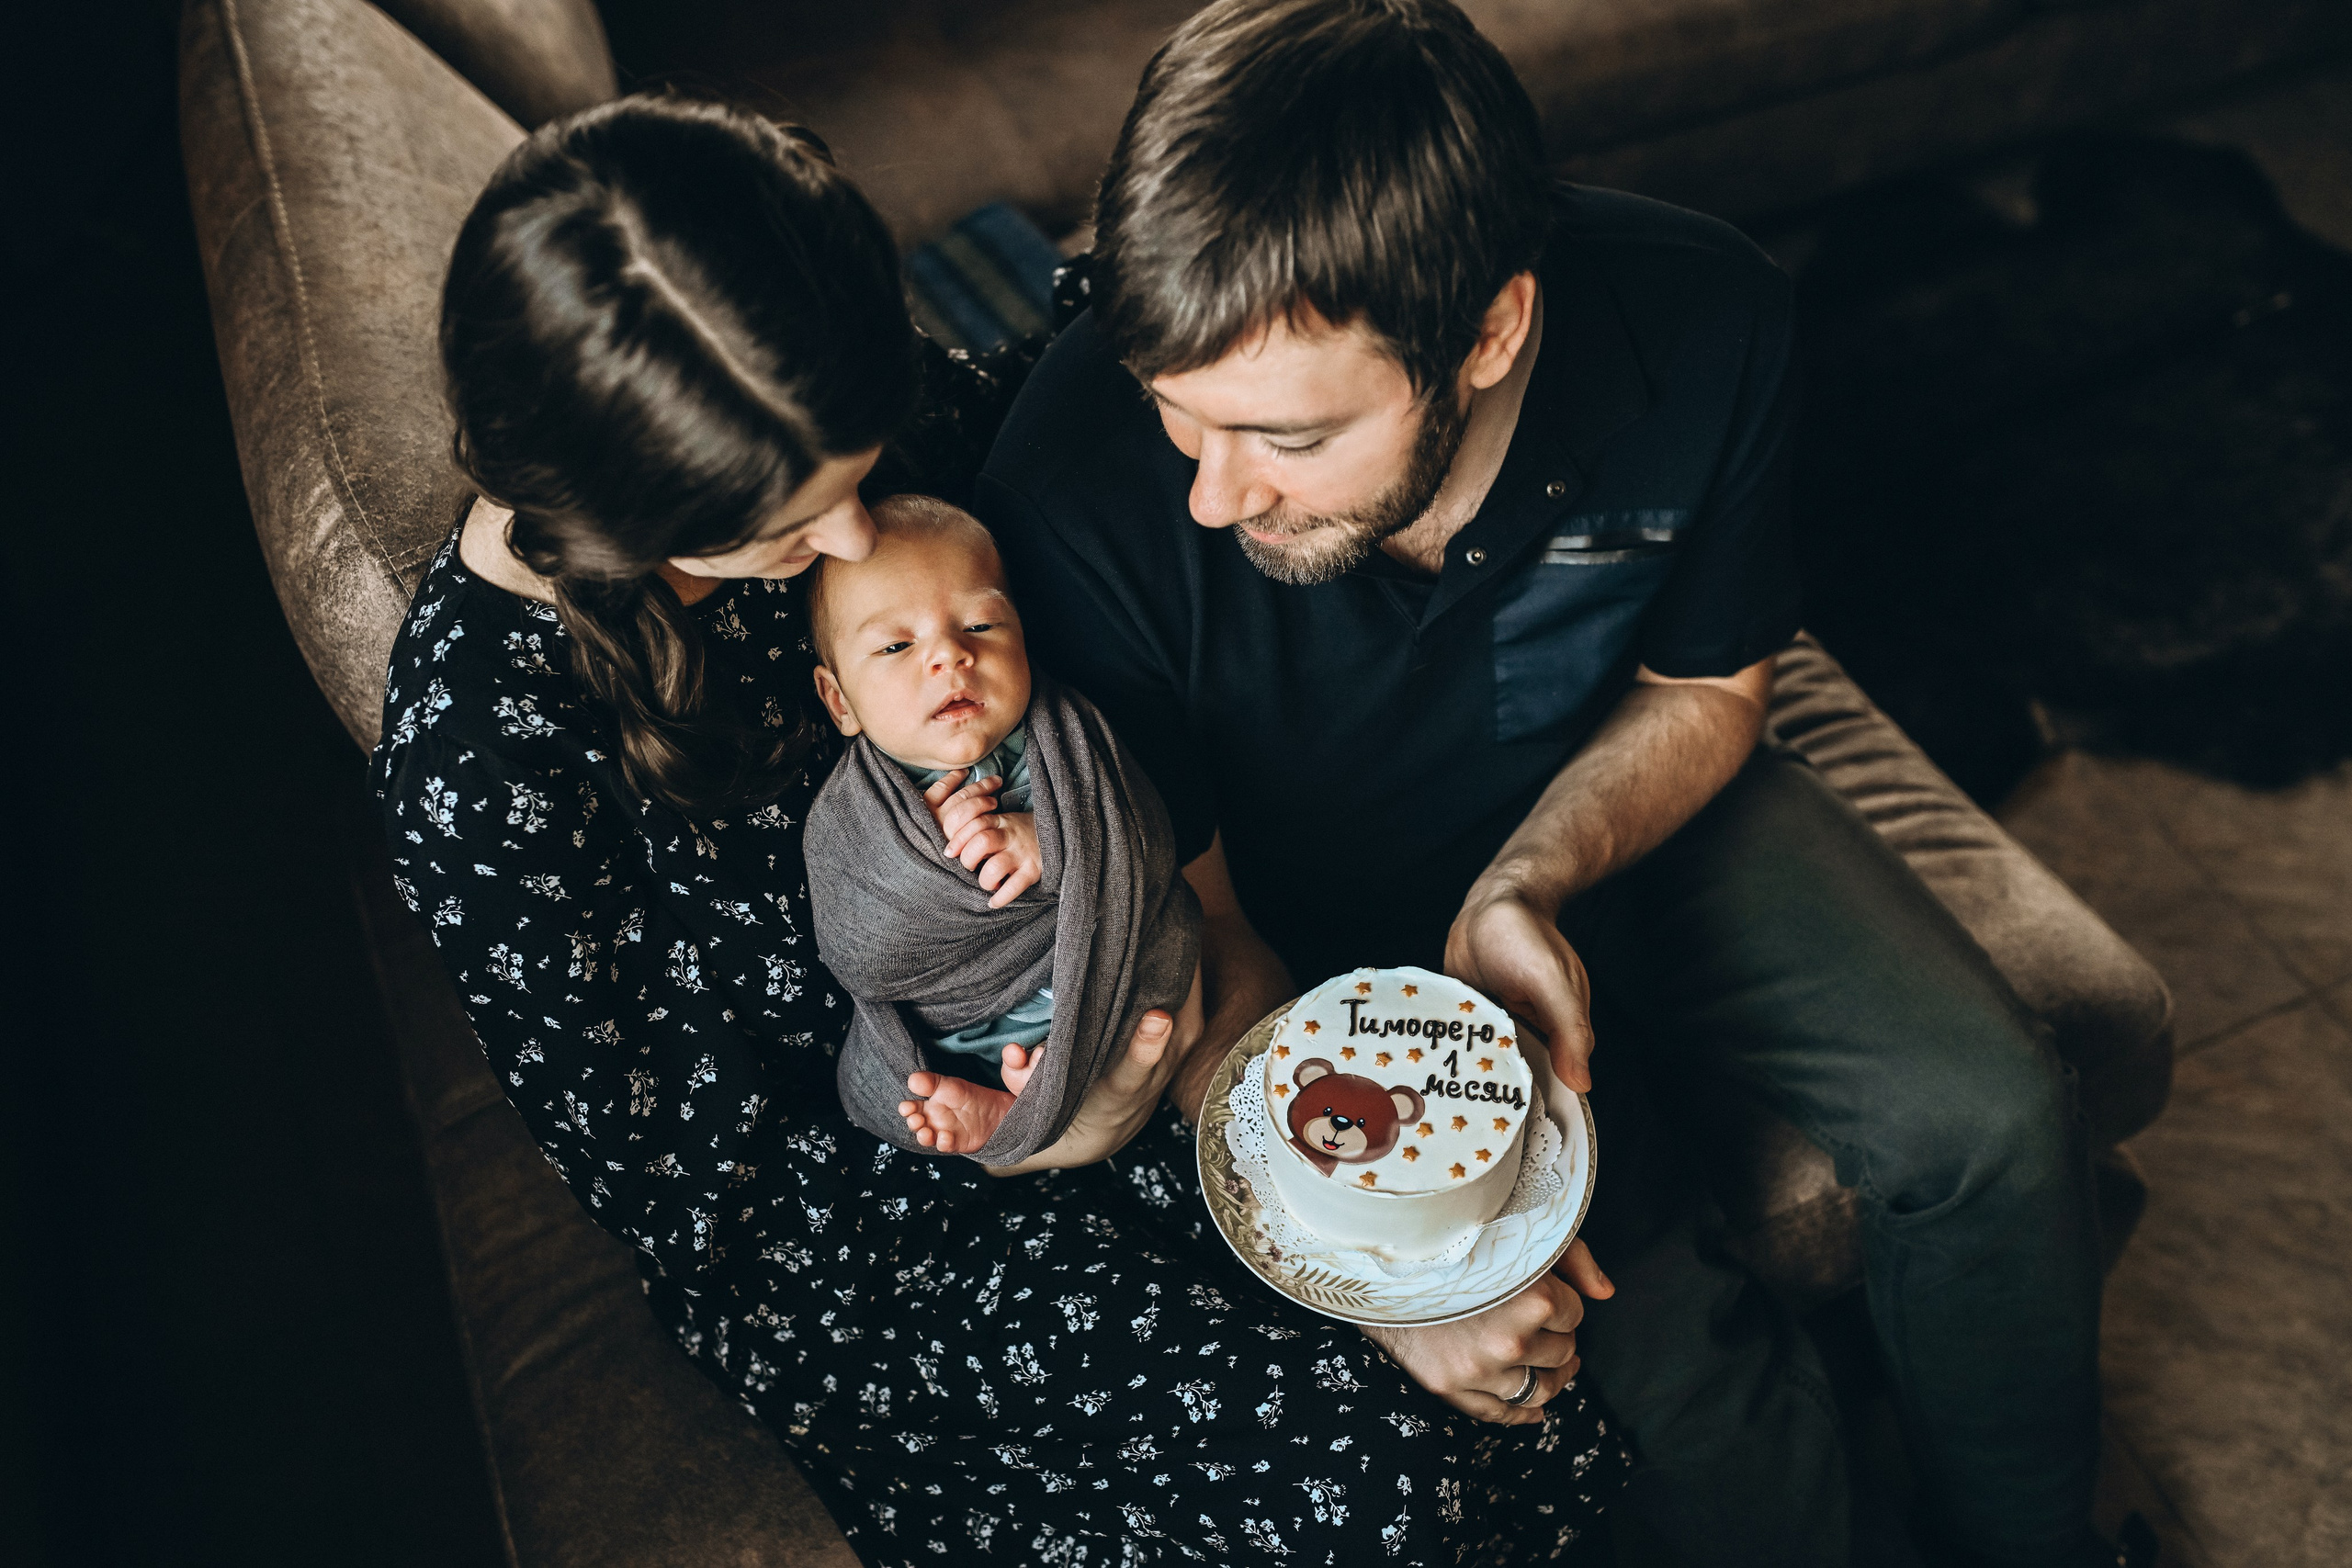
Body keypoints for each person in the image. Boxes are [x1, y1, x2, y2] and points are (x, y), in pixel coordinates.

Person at [376, 92, 1628, 1567]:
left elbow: (1086, 406)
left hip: (1129, 990)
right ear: (612, 512)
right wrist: (1049, 1133)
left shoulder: (861, 417)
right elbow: (711, 1210)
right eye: (790, 528)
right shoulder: (487, 768)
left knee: (1495, 1346)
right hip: (901, 1220)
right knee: (1362, 1480)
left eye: (857, 476)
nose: (852, 545)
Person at [973, 3, 2130, 1566]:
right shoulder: (1076, 483)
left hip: (1633, 805)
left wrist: (1531, 878)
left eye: (1287, 438)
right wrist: (1395, 1282)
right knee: (1671, 1377)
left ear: (1491, 332)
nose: (1211, 491)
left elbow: (1708, 687)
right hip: (1327, 935)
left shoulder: (1707, 315)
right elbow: (1190, 920)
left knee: (1991, 1113)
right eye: (1178, 416)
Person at [800, 492, 1204, 1161]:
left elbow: (1147, 839)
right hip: (956, 1025)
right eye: (898, 644)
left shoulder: (1070, 737)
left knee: (1165, 958)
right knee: (906, 1094)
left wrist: (1056, 843)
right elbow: (856, 947)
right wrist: (923, 865)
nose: (950, 656)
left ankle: (1046, 1090)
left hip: (1097, 990)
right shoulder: (854, 810)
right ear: (840, 701)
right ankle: (1004, 1106)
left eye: (982, 626)